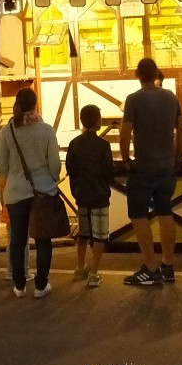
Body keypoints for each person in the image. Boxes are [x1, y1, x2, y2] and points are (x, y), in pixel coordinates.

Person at [119, 57, 182, 287]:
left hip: (144, 165)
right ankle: (168, 265)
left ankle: (150, 267)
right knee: (165, 211)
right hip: (167, 165)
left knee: (138, 214)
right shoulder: (170, 97)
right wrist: (179, 154)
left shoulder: (133, 100)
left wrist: (126, 157)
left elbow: (125, 132)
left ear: (138, 75)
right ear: (157, 74)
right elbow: (181, 127)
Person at [0, 87, 61, 299]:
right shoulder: (47, 131)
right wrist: (50, 178)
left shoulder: (8, 131)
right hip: (42, 192)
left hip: (15, 193)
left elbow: (1, 166)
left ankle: (19, 286)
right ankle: (41, 286)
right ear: (35, 105)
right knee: (43, 239)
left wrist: (11, 180)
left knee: (17, 239)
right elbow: (55, 165)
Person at [67, 104, 114, 288]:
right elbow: (108, 171)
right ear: (98, 122)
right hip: (100, 196)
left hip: (81, 196)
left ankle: (80, 268)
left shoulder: (74, 143)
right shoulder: (103, 145)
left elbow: (71, 168)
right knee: (100, 237)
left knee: (84, 235)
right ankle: (94, 273)